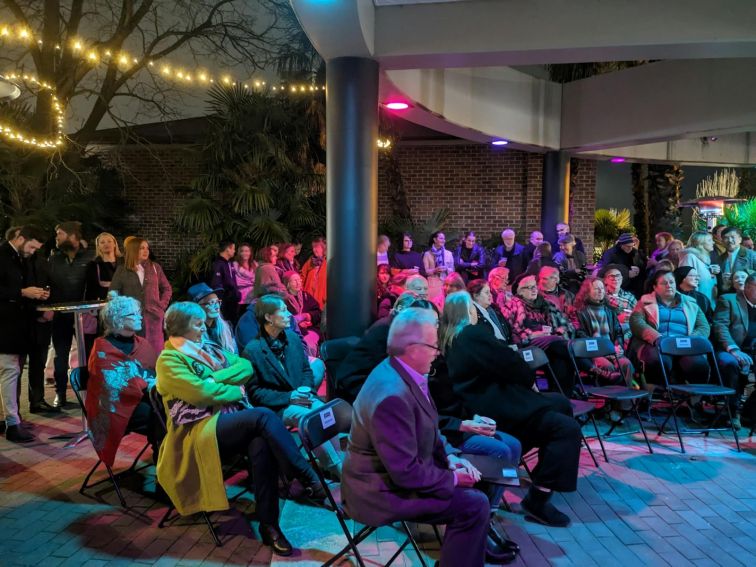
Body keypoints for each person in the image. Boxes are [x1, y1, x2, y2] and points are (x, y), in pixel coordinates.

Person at [156, 302, 323, 556]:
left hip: (228, 420)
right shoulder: (169, 360)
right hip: (198, 430)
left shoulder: (209, 348)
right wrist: (233, 390)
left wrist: (214, 379)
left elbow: (245, 367)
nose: (204, 328)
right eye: (198, 324)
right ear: (181, 327)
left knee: (261, 443)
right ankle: (304, 474)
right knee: (263, 417)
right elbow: (201, 394)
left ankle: (270, 526)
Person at [341, 307, 494, 567]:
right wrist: (453, 477)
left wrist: (451, 458)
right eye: (434, 347)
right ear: (413, 349)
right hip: (378, 492)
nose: (438, 353)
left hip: (394, 478)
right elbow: (406, 473)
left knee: (481, 484)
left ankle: (464, 554)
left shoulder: (401, 370)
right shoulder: (392, 396)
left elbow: (430, 430)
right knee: (474, 505)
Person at [440, 291, 581, 528]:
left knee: (560, 403)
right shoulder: (472, 334)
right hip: (500, 406)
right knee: (567, 429)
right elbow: (512, 364)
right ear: (469, 311)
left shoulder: (449, 338)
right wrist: (526, 378)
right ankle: (539, 497)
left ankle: (544, 471)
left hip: (487, 403)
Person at [242, 295, 340, 476]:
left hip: (300, 398)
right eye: (283, 310)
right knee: (309, 419)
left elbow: (306, 370)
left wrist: (306, 392)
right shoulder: (253, 350)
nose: (290, 315)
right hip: (278, 407)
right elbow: (256, 393)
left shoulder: (293, 339)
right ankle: (337, 468)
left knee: (325, 413)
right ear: (269, 317)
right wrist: (290, 397)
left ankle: (339, 460)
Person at [86, 295, 159, 465]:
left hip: (147, 398)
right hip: (117, 407)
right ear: (118, 320)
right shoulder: (102, 349)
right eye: (133, 314)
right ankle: (162, 463)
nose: (140, 316)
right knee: (160, 415)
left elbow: (156, 373)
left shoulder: (143, 344)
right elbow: (114, 386)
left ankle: (168, 459)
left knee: (168, 409)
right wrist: (147, 385)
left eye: (138, 313)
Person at [335, 293, 430, 404]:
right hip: (356, 385)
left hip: (372, 382)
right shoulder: (387, 329)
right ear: (401, 310)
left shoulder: (396, 327)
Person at [0, 226, 48, 441]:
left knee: (11, 372)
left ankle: (11, 418)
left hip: (18, 326)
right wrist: (22, 292)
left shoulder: (22, 258)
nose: (32, 252)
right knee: (10, 372)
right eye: (31, 246)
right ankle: (12, 423)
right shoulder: (2, 256)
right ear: (19, 238)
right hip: (5, 326)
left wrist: (37, 294)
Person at [629, 270, 710, 388]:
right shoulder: (644, 302)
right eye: (664, 283)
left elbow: (703, 326)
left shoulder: (690, 303)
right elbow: (636, 321)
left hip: (685, 345)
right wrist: (657, 338)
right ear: (655, 287)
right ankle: (657, 397)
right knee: (657, 361)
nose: (669, 285)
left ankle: (692, 400)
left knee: (698, 364)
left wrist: (692, 340)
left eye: (671, 282)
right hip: (657, 344)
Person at [502, 274, 576, 393]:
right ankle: (589, 367)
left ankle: (561, 394)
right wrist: (534, 334)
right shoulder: (514, 304)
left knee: (560, 357)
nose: (534, 289)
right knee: (561, 345)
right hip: (529, 343)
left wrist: (557, 331)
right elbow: (514, 330)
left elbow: (565, 325)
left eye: (535, 286)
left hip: (550, 343)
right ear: (520, 291)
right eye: (529, 287)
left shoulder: (546, 304)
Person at [48, 221, 95, 408]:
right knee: (61, 355)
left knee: (89, 355)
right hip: (61, 313)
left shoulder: (89, 257)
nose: (56, 237)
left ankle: (90, 394)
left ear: (72, 235)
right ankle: (60, 394)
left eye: (59, 233)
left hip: (85, 314)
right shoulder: (54, 258)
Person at [110, 237, 172, 356]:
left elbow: (167, 288)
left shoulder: (155, 268)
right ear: (133, 250)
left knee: (155, 354)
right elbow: (113, 293)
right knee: (134, 354)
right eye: (141, 248)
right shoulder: (122, 270)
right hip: (132, 320)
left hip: (153, 319)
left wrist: (161, 305)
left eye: (147, 248)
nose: (146, 251)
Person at [711, 273, 756, 430]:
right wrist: (734, 349)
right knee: (732, 364)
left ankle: (749, 410)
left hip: (753, 350)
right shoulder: (729, 300)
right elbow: (720, 327)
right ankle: (732, 411)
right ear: (749, 287)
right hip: (729, 349)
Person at [572, 277, 634, 386]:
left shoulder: (609, 311)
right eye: (596, 288)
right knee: (607, 367)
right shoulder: (579, 312)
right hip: (593, 352)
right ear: (587, 292)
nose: (601, 291)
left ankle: (625, 402)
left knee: (626, 364)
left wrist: (618, 347)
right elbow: (580, 335)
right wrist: (604, 350)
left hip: (611, 350)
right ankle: (610, 399)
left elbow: (618, 332)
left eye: (602, 288)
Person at [188, 283, 237, 354]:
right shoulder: (191, 334)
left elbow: (236, 355)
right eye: (212, 302)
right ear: (197, 307)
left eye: (217, 302)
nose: (217, 307)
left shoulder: (226, 328)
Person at [283, 271, 321, 356]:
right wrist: (299, 324)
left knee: (309, 344)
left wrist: (308, 316)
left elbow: (318, 313)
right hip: (293, 333)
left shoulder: (305, 296)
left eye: (299, 280)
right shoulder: (283, 300)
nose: (298, 283)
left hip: (309, 330)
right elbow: (284, 319)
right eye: (294, 281)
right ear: (288, 284)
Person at [597, 233, 646, 298]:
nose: (631, 248)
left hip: (634, 287)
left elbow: (643, 264)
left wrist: (639, 268)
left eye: (632, 246)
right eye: (628, 246)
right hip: (618, 287)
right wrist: (626, 273)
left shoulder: (634, 252)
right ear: (622, 245)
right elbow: (604, 270)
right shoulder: (610, 253)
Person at [679, 231, 719, 307]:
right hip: (696, 305)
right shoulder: (690, 257)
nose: (713, 242)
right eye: (709, 240)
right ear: (700, 243)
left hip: (706, 303)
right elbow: (686, 282)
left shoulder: (703, 260)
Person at [210, 240, 241, 325]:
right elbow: (216, 284)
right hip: (225, 303)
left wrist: (236, 294)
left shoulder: (229, 263)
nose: (234, 251)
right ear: (228, 249)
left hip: (232, 302)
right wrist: (220, 300)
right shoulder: (218, 264)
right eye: (233, 249)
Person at [717, 227, 756, 293]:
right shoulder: (720, 258)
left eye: (733, 237)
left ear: (740, 239)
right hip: (727, 295)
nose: (729, 240)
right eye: (726, 238)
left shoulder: (751, 255)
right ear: (722, 241)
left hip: (747, 294)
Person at [423, 231, 455, 300]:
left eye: (444, 239)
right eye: (441, 238)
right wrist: (435, 270)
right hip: (433, 285)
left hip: (446, 285)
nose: (443, 240)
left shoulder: (449, 254)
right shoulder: (427, 254)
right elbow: (425, 271)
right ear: (434, 240)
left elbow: (453, 271)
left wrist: (446, 269)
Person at [301, 237, 327, 309]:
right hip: (308, 298)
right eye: (313, 247)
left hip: (322, 300)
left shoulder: (329, 262)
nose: (314, 249)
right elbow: (302, 276)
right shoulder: (310, 261)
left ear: (323, 248)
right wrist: (302, 292)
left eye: (316, 247)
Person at [233, 243, 256, 315]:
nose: (244, 253)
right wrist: (253, 282)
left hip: (255, 298)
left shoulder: (255, 264)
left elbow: (260, 279)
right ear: (239, 253)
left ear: (250, 253)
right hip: (242, 299)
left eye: (247, 251)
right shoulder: (235, 265)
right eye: (242, 251)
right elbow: (238, 282)